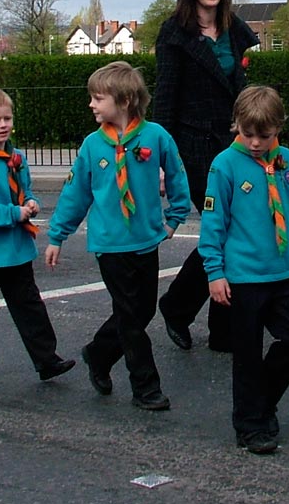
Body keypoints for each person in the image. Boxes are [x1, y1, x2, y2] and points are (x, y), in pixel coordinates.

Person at [46, 62, 191, 411]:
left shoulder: (156, 137)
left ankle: (98, 353)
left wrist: (175, 217)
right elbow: (75, 193)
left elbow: (177, 177)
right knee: (129, 317)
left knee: (141, 313)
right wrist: (57, 234)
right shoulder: (93, 146)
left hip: (145, 240)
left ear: (124, 100)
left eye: (98, 98)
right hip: (110, 244)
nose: (92, 105)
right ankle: (145, 387)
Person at [198, 86, 289, 455]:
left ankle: (261, 400)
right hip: (243, 277)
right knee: (247, 354)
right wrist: (214, 272)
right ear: (236, 125)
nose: (254, 143)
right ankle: (250, 423)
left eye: (263, 136)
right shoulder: (225, 165)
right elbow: (213, 222)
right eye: (247, 133)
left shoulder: (288, 163)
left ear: (278, 128)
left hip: (284, 271)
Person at [153, 0, 260, 353]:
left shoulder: (234, 29)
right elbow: (165, 98)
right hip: (192, 146)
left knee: (231, 230)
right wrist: (164, 161)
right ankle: (177, 307)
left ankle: (221, 327)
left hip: (232, 143)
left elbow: (243, 85)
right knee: (224, 228)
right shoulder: (174, 33)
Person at [0, 84, 75, 384]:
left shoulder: (16, 157)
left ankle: (47, 359)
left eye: (7, 118)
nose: (3, 125)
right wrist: (13, 213)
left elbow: (25, 190)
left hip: (16, 248)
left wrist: (31, 202)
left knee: (30, 306)